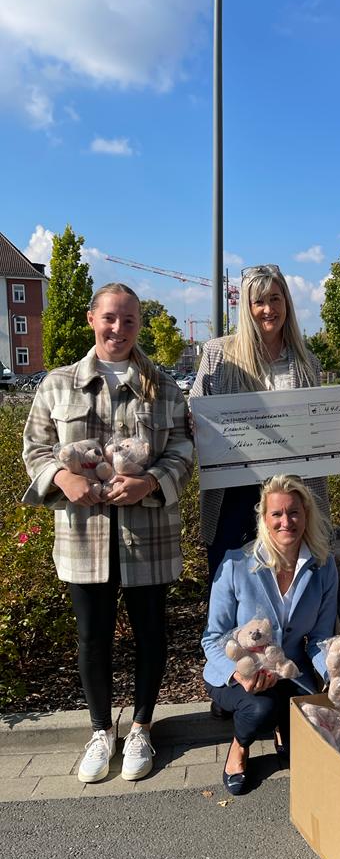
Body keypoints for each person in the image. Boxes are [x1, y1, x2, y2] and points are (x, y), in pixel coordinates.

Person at [22, 283, 194, 783]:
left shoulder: (163, 386)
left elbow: (184, 450)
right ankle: (101, 730)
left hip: (149, 533)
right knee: (92, 637)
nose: (119, 329)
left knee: (151, 633)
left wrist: (150, 482)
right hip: (84, 535)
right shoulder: (58, 385)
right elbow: (35, 446)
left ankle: (141, 726)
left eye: (129, 320)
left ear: (139, 324)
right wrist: (62, 477)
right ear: (92, 319)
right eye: (110, 318)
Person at [200, 474, 338, 795]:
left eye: (294, 512)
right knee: (260, 709)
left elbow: (319, 638)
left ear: (306, 515)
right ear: (264, 518)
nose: (286, 522)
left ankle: (282, 726)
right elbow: (212, 637)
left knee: (311, 725)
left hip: (291, 671)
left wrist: (333, 677)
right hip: (240, 671)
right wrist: (238, 674)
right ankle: (239, 747)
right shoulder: (235, 564)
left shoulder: (323, 566)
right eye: (277, 514)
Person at [190, 264, 329, 582]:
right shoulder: (218, 354)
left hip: (291, 493)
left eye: (275, 299)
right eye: (259, 301)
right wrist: (193, 421)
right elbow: (195, 412)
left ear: (286, 303)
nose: (269, 309)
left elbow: (319, 427)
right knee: (230, 580)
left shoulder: (307, 362)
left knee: (287, 582)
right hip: (233, 493)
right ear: (247, 307)